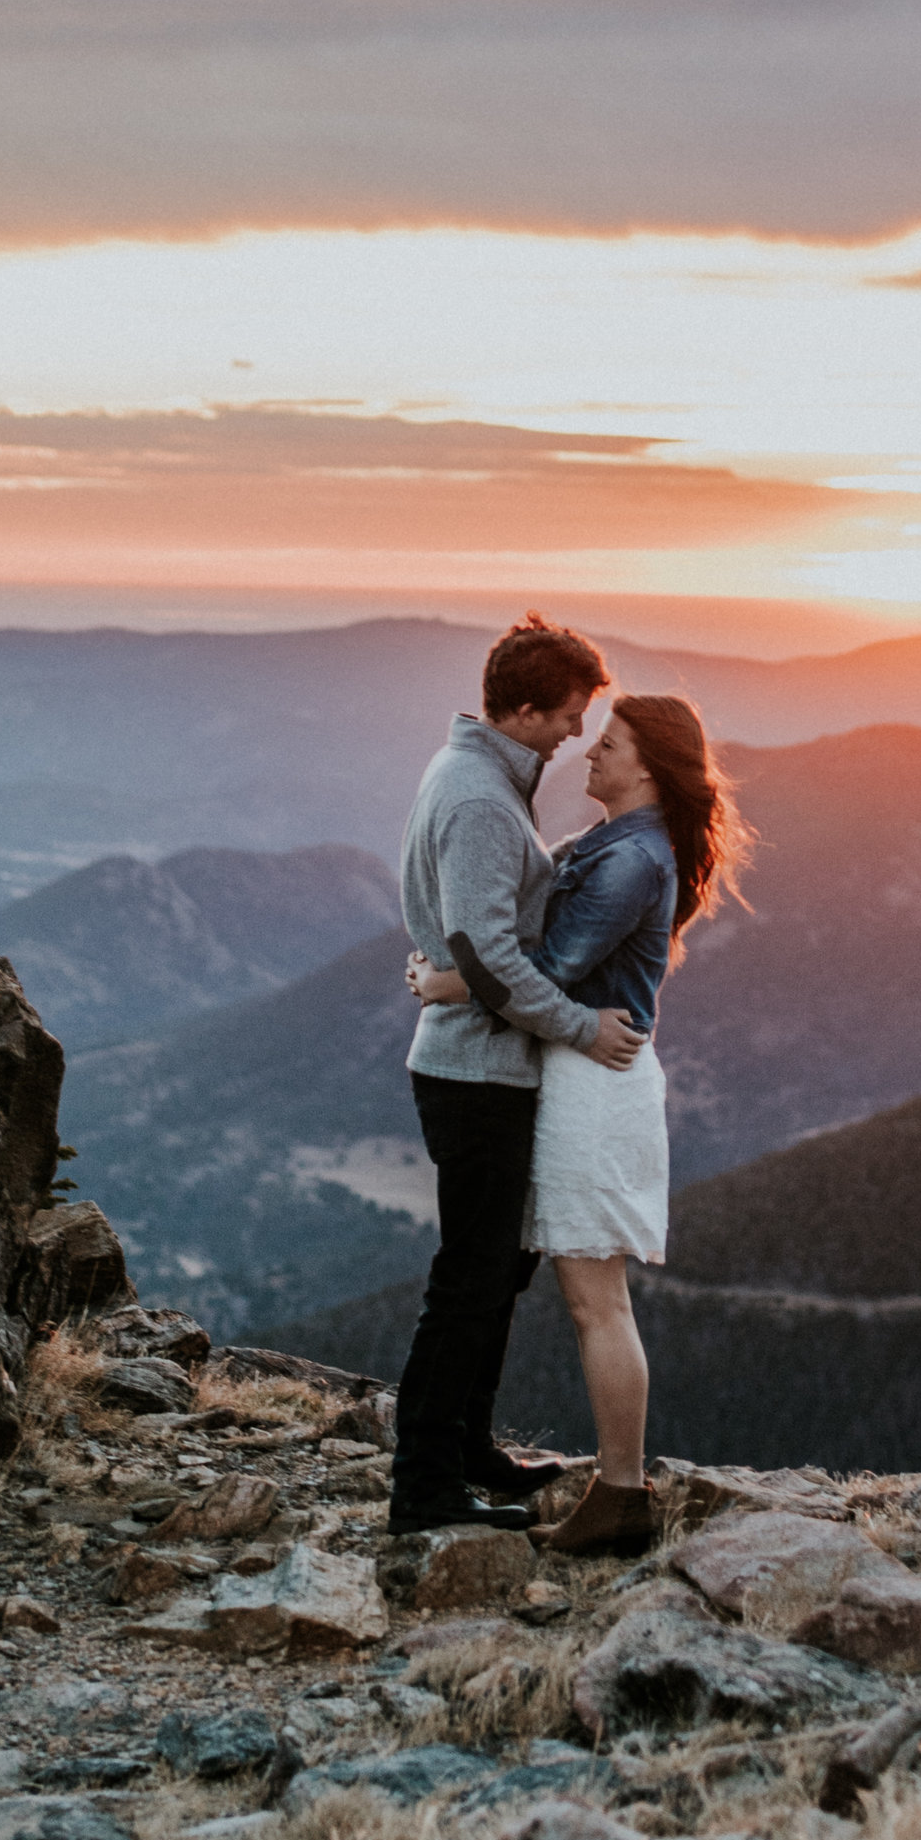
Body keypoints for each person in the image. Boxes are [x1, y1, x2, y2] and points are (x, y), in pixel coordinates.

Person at [409, 681, 753, 1556]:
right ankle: (588, 1479)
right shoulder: (614, 840)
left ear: (650, 767)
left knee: (597, 1301)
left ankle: (621, 1493)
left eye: (611, 742)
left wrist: (446, 981)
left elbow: (554, 968)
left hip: (598, 1082)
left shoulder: (635, 858)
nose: (589, 751)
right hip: (574, 1076)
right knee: (565, 1288)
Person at [389, 614, 644, 1536]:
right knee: (468, 1281)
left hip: (480, 1066)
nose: (578, 732)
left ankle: (468, 1450)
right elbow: (491, 958)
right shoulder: (482, 799)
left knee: (498, 1273)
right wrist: (580, 1026)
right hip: (476, 1076)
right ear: (527, 709)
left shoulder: (479, 776)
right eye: (571, 716)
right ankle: (422, 1487)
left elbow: (492, 921)